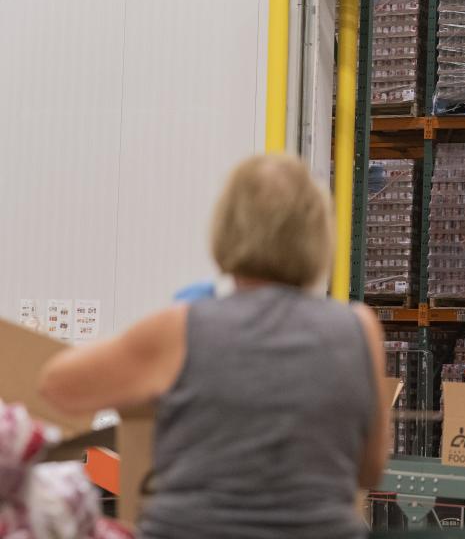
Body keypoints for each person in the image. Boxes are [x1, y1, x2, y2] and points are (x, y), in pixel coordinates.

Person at [38, 154, 388, 539]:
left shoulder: (182, 328)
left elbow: (56, 386)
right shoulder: (359, 330)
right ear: (320, 234)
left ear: (226, 231)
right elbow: (369, 469)